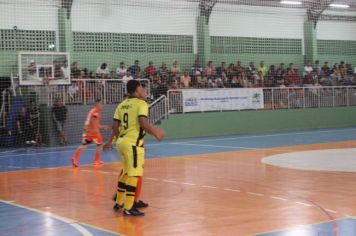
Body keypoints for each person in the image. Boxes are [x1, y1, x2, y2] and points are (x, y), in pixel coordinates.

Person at [104, 80, 165, 216]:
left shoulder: (121, 105)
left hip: (121, 142)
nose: (145, 92)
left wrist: (122, 138)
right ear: (137, 91)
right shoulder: (141, 103)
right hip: (133, 144)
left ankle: (119, 202)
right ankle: (129, 207)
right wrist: (156, 132)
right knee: (134, 174)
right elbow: (143, 123)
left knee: (126, 172)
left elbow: (115, 127)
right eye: (143, 90)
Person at [72, 99, 109, 167]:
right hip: (91, 133)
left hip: (92, 132)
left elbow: (95, 124)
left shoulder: (96, 112)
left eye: (102, 104)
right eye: (101, 104)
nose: (102, 105)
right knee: (89, 145)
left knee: (97, 145)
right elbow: (90, 123)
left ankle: (95, 160)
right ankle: (76, 158)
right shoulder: (94, 112)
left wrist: (103, 127)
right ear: (97, 104)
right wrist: (85, 134)